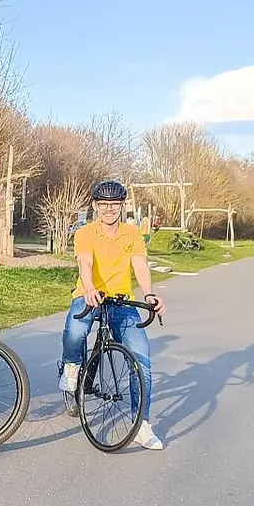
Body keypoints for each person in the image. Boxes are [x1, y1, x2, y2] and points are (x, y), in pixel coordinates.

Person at [58, 179, 166, 450]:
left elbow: (139, 264)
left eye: (114, 205)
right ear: (95, 205)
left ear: (122, 206)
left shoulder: (132, 234)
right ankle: (71, 366)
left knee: (141, 361)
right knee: (76, 330)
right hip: (90, 294)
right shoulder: (85, 233)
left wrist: (149, 293)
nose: (108, 209)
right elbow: (85, 261)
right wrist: (91, 287)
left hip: (121, 300)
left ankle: (141, 424)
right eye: (103, 204)